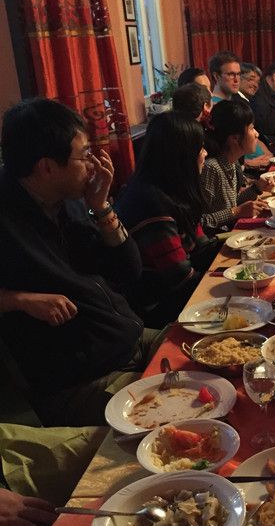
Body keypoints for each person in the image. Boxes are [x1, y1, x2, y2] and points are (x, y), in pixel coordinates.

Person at [0, 98, 159, 427]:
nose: (94, 164)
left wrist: (101, 208)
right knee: (184, 408)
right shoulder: (7, 216)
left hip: (128, 338)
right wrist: (18, 299)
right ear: (47, 167)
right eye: (85, 155)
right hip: (81, 381)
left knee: (211, 352)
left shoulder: (70, 200)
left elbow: (129, 271)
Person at [116, 112, 219, 327]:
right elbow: (181, 279)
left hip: (181, 293)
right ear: (182, 155)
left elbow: (202, 247)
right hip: (159, 308)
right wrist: (227, 280)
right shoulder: (150, 202)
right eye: (200, 148)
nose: (205, 153)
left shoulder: (173, 189)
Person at [200, 99, 272, 232]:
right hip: (218, 240)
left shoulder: (232, 162)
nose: (257, 134)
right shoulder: (211, 168)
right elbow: (199, 222)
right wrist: (237, 212)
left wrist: (257, 188)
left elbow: (232, 203)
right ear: (235, 138)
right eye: (251, 128)